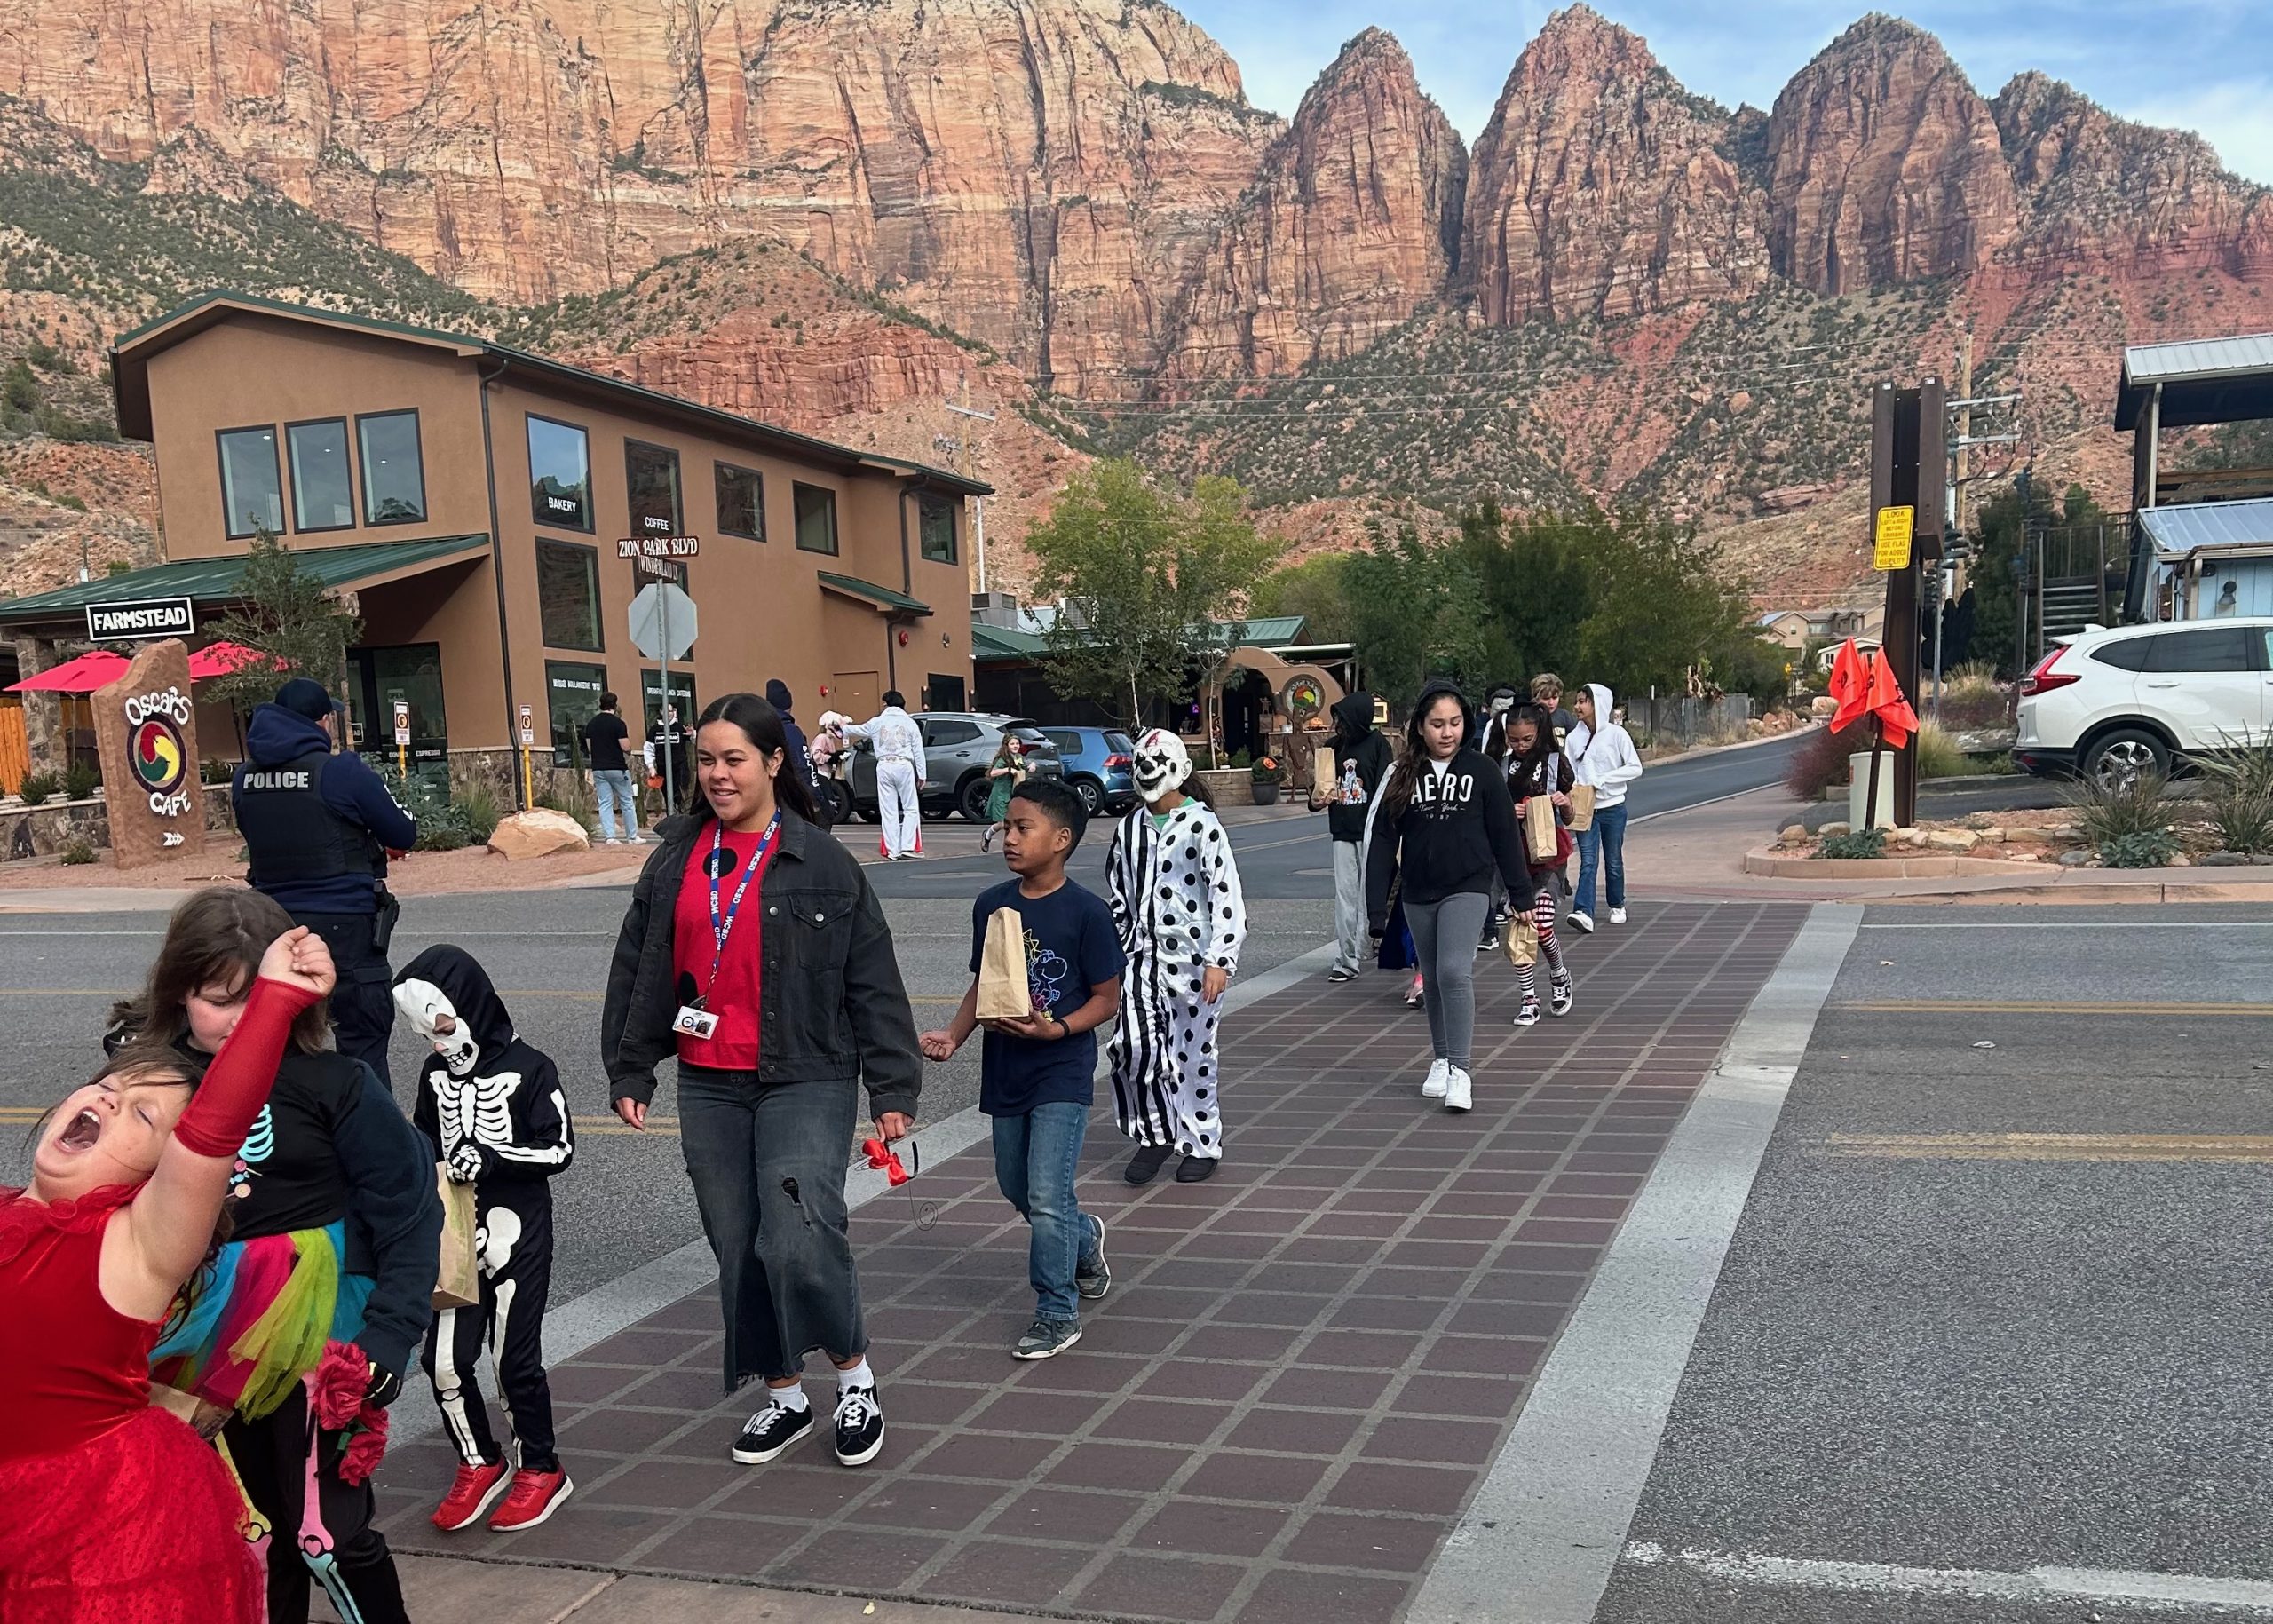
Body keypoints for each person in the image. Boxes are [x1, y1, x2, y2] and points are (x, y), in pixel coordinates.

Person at [603, 693, 922, 1470]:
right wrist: (631, 1063)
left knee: (800, 1234)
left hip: (805, 1073)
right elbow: (639, 965)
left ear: (775, 761)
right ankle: (783, 1395)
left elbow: (872, 981)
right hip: (710, 1080)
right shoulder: (676, 857)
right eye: (706, 759)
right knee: (738, 1245)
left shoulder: (822, 860)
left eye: (733, 758)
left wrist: (892, 1091)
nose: (717, 774)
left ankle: (855, 1378)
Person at [115, 887, 438, 1624]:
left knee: (331, 1531)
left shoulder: (336, 1082)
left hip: (315, 1336)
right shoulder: (150, 1090)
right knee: (244, 1532)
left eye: (254, 998)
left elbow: (408, 1213)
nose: (234, 1021)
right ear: (177, 992)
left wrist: (389, 1334)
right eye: (216, 998)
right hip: (195, 1345)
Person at [0, 927, 333, 1624]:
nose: (114, 1100)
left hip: (101, 1527)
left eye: (143, 1116)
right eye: (109, 1089)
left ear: (155, 1181)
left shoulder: (136, 1243)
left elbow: (212, 1131)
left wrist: (273, 999)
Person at [919, 779, 1122, 1359]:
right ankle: (1084, 1239)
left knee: (1047, 1192)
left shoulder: (1087, 913)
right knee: (1018, 1187)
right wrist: (953, 1036)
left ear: (1061, 839)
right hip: (1005, 1066)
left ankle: (1057, 1311)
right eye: (1005, 826)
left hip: (1060, 1066)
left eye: (1021, 827)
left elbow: (1106, 998)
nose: (1008, 836)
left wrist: (1055, 1028)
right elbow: (985, 982)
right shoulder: (992, 905)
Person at [393, 947, 576, 1533]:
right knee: (443, 1360)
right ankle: (479, 1459)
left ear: (472, 1005)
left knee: (512, 1360)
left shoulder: (532, 1068)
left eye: (442, 1025)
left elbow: (560, 1148)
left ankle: (541, 1466)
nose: (437, 1041)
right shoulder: (432, 1075)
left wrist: (494, 1156)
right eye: (425, 1031)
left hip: (516, 1229)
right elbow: (425, 1137)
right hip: (454, 1229)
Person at [234, 676, 417, 1085]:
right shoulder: (339, 772)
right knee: (362, 1043)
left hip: (272, 929)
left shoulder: (244, 779)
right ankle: (367, 1139)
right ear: (321, 723)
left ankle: (297, 1135)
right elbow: (402, 832)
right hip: (345, 929)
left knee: (284, 1051)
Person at [1364, 682, 1534, 1114]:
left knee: (1456, 971)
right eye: (1437, 724)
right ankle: (1440, 1058)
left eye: (1455, 723)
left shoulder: (1482, 771)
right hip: (1418, 892)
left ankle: (1461, 1069)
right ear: (1420, 727)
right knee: (1435, 976)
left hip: (1469, 887)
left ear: (1466, 724)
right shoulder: (1402, 775)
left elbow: (1504, 836)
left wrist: (1520, 893)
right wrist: (1375, 907)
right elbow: (1383, 840)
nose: (1447, 732)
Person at [1106, 729, 1247, 1183]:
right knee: (1134, 1047)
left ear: (1180, 770)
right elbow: (1117, 894)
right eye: (1140, 763)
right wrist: (1121, 947)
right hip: (1140, 962)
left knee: (1192, 1054)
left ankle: (1201, 1141)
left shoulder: (1202, 825)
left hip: (1194, 964)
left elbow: (1226, 895)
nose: (1146, 771)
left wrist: (1219, 959)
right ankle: (1155, 1133)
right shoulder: (1128, 828)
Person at [1502, 704, 1576, 1027]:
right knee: (1521, 926)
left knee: (1542, 923)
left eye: (1527, 739)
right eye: (1513, 740)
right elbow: (1490, 818)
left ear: (1539, 733)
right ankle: (1528, 997)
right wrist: (1509, 814)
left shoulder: (1554, 764)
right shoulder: (1500, 768)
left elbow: (1572, 818)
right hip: (1514, 858)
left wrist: (1565, 803)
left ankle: (1559, 974)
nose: (1519, 746)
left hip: (1549, 856)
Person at [1313, 690, 1392, 984]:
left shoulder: (1378, 745)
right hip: (1342, 830)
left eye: (1344, 718)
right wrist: (1317, 801)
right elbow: (1318, 790)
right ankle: (1347, 959)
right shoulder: (1332, 748)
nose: (1339, 725)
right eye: (1337, 719)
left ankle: (1370, 942)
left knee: (1370, 894)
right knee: (1345, 896)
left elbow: (1386, 785)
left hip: (1372, 831)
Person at [1566, 682, 1643, 932]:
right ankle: (1583, 910)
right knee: (1588, 860)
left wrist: (1605, 780)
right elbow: (1569, 770)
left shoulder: (1616, 735)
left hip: (1613, 807)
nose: (1577, 706)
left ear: (1597, 703)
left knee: (1613, 859)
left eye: (1583, 701)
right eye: (1577, 701)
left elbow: (1635, 767)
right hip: (1585, 809)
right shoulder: (1573, 737)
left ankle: (1616, 904)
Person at [843, 690, 927, 860]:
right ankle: (908, 846)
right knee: (910, 807)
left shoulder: (877, 722)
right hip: (903, 764)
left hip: (883, 765)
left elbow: (857, 729)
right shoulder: (910, 723)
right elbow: (918, 751)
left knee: (888, 809)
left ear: (885, 704)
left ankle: (892, 850)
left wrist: (841, 727)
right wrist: (922, 774)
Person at [582, 692, 638, 845]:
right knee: (627, 801)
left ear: (600, 704)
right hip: (617, 767)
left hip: (599, 768)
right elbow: (625, 746)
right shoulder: (618, 724)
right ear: (615, 705)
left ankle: (610, 837)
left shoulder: (591, 724)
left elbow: (590, 748)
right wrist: (629, 749)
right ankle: (632, 836)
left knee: (605, 802)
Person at [764, 679, 820, 800]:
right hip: (792, 798)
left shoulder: (762, 729)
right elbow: (804, 766)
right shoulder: (790, 731)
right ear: (788, 706)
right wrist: (816, 798)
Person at [979, 734, 1026, 855]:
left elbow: (1023, 768)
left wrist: (1031, 767)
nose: (1015, 746)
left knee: (1013, 821)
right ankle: (988, 835)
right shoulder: (1002, 759)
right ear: (1006, 745)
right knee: (1002, 823)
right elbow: (993, 773)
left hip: (1013, 794)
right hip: (1001, 794)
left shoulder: (1018, 757)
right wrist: (1008, 769)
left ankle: (1010, 845)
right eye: (1012, 744)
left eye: (1017, 744)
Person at [1530, 673, 1580, 754]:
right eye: (1546, 699)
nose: (1551, 703)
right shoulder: (1529, 716)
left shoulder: (1564, 716)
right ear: (1536, 698)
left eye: (1555, 698)